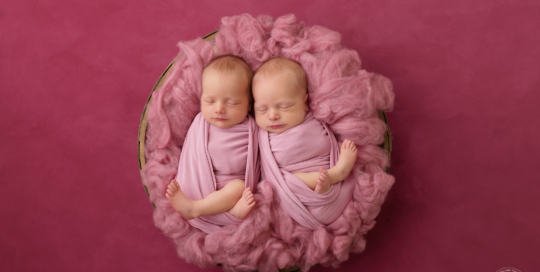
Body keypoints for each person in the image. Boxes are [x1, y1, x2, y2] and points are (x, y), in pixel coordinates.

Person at [166, 55, 257, 222]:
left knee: (239, 187)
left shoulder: (254, 129)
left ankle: (205, 210)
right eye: (210, 101)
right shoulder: (200, 125)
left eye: (231, 103)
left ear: (249, 104)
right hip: (200, 183)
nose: (219, 109)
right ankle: (196, 207)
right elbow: (191, 157)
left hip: (232, 188)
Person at [253, 57, 357, 194]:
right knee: (285, 182)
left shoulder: (315, 120)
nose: (272, 116)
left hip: (323, 168)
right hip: (290, 191)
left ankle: (334, 176)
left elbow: (326, 143)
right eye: (262, 110)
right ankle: (337, 173)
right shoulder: (260, 136)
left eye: (284, 107)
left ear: (305, 103)